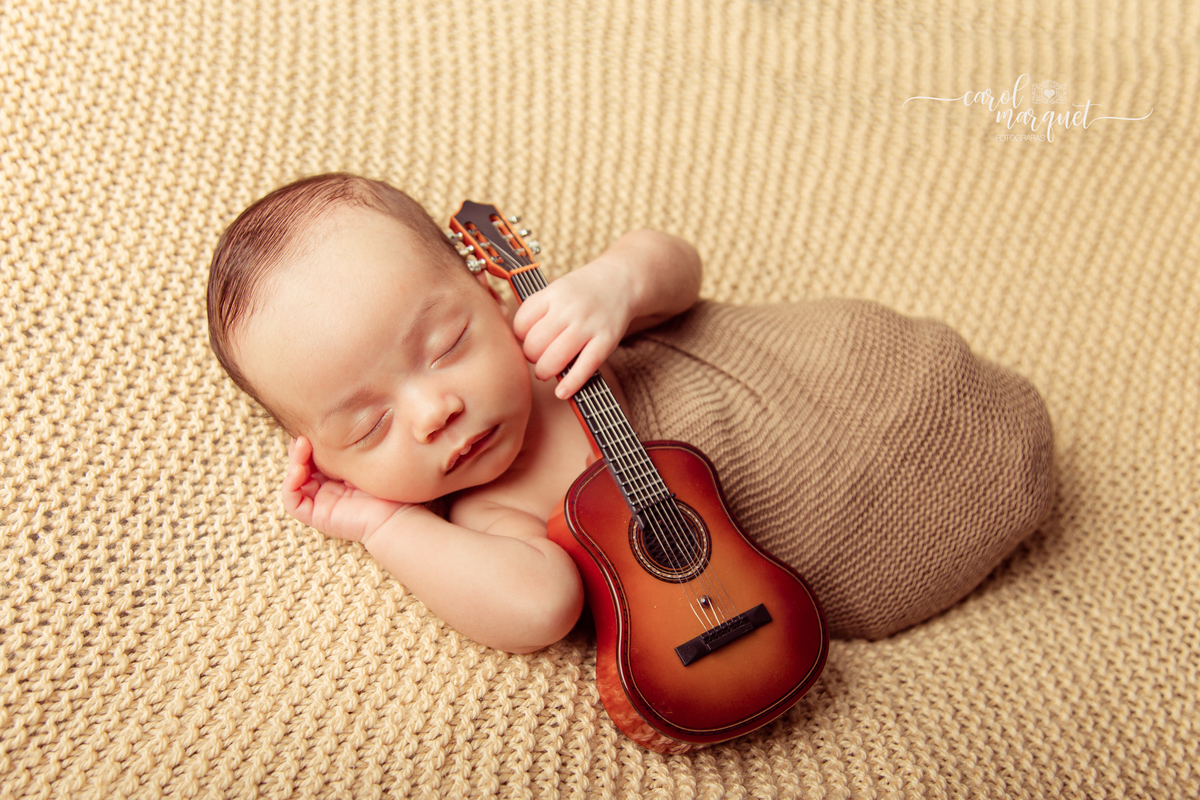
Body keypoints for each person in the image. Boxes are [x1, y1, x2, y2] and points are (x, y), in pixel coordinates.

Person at [207, 172, 1055, 652]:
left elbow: (677, 266)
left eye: (445, 343)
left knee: (862, 355)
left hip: (842, 372)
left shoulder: (552, 328)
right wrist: (383, 527)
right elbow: (536, 609)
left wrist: (614, 284)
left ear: (488, 288)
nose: (435, 408)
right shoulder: (492, 511)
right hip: (849, 521)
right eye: (369, 426)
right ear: (322, 455)